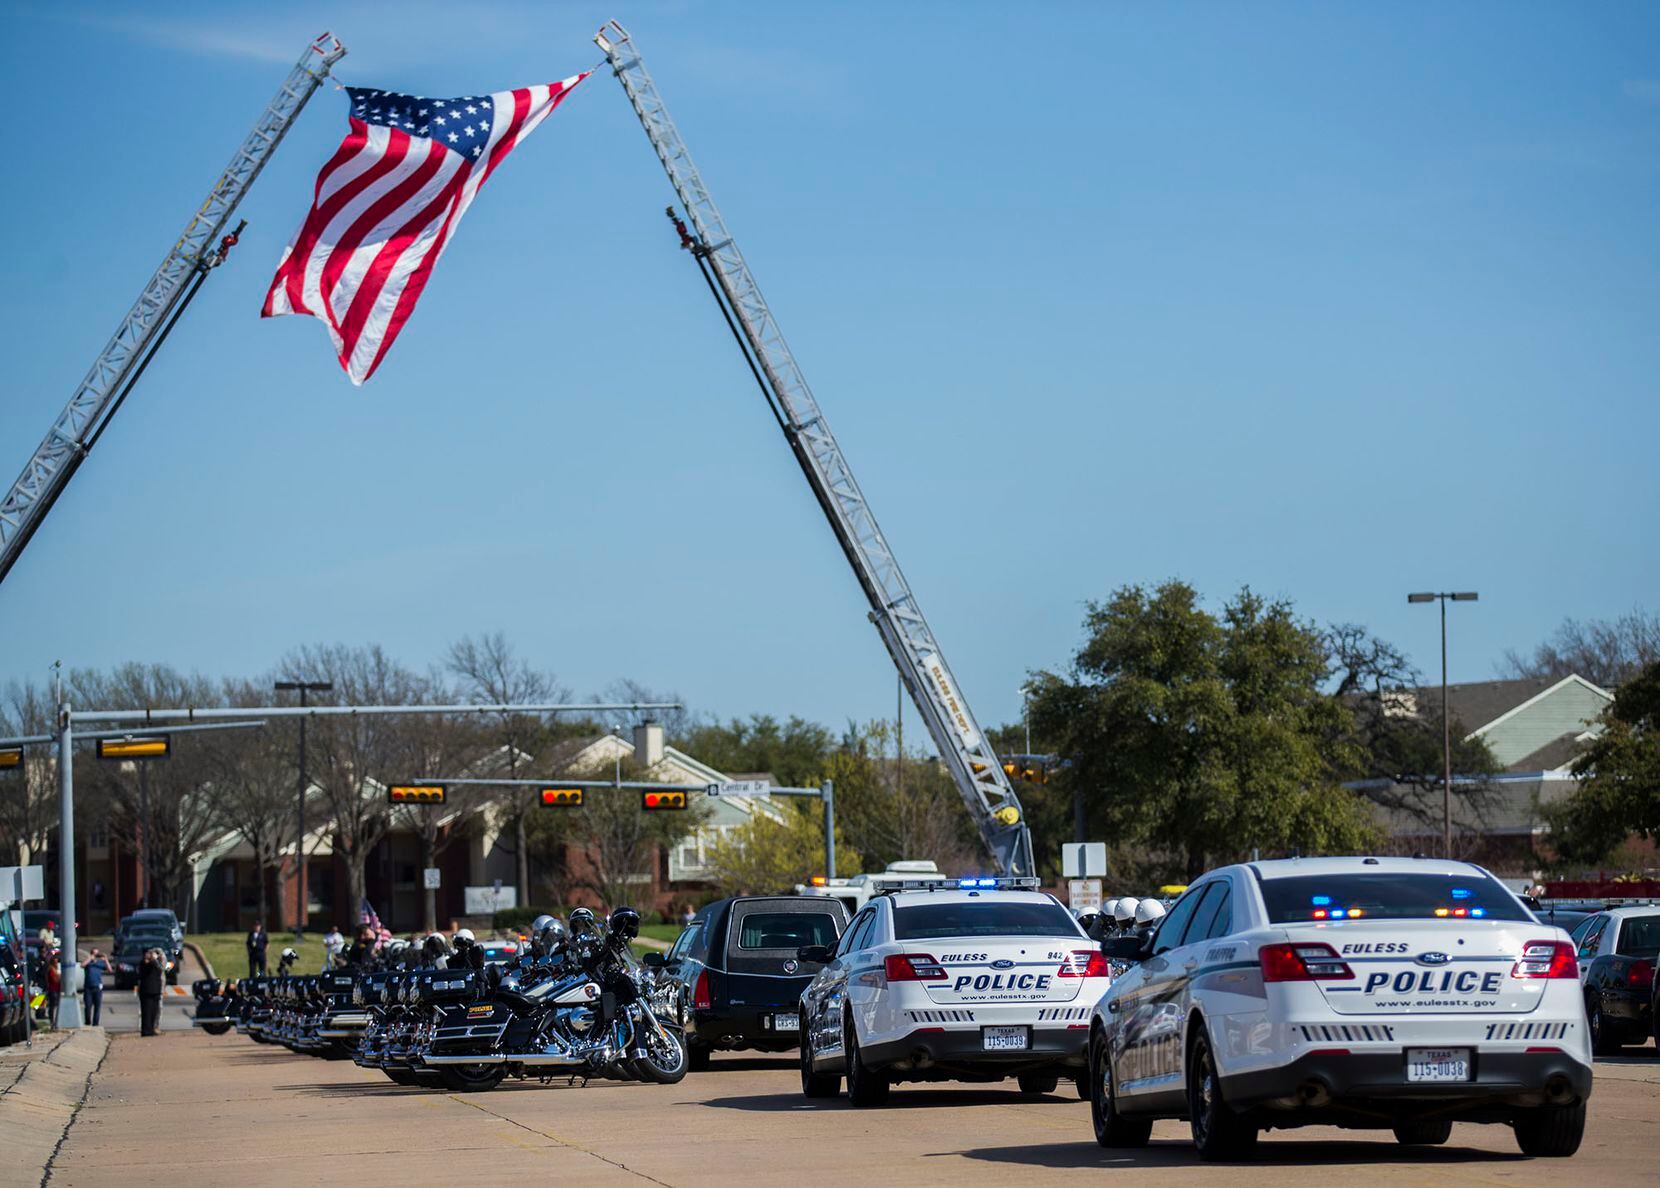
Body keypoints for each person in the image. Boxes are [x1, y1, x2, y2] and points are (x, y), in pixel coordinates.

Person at [138, 947, 164, 1036]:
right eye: (149, 953)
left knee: (154, 1011)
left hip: (156, 990)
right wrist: (153, 959)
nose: (150, 955)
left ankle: (152, 1029)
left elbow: (161, 969)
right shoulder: (144, 963)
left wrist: (158, 959)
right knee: (147, 1012)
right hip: (146, 991)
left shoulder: (155, 963)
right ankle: (146, 1030)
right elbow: (147, 968)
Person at [83, 948, 110, 1026]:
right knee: (88, 1006)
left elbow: (110, 970)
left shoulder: (100, 963)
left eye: (97, 954)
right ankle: (88, 1021)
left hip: (97, 987)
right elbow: (82, 965)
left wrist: (106, 960)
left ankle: (95, 1024)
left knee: (97, 1007)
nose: (96, 956)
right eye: (94, 954)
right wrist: (90, 958)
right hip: (88, 988)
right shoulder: (88, 963)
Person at [43, 951, 62, 1026]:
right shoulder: (51, 970)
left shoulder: (56, 969)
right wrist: (60, 977)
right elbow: (55, 980)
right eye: (55, 962)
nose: (57, 963)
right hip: (53, 989)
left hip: (57, 989)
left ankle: (54, 1019)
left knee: (55, 1006)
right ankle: (52, 1020)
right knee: (52, 1006)